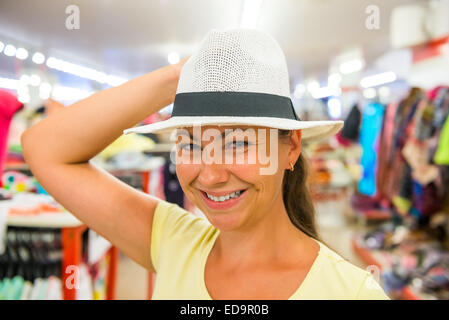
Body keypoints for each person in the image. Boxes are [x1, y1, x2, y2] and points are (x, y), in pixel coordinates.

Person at [21, 28, 389, 300]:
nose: (210, 175)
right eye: (192, 145)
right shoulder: (173, 241)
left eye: (239, 144)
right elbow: (43, 148)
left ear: (291, 147)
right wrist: (187, 75)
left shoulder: (353, 293)